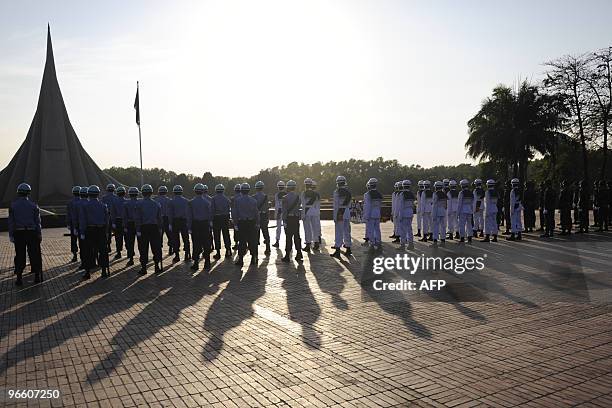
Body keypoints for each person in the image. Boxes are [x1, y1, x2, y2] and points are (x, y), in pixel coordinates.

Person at [9, 183, 43, 286]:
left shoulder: (13, 206)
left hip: (19, 233)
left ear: (18, 192)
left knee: (20, 255)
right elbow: (38, 222)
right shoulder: (33, 206)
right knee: (34, 254)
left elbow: (11, 222)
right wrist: (39, 234)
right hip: (32, 232)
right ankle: (37, 276)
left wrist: (11, 235)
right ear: (29, 193)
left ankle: (19, 278)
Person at [79, 185, 110, 280]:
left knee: (88, 251)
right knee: (103, 251)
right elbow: (107, 220)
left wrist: (82, 232)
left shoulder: (85, 206)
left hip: (90, 230)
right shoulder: (103, 205)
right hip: (101, 230)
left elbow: (83, 220)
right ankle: (104, 270)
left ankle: (88, 272)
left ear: (88, 194)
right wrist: (106, 231)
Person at [136, 184, 163, 274]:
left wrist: (138, 229)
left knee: (143, 248)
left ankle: (144, 268)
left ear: (142, 193)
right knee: (156, 247)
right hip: (154, 227)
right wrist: (160, 228)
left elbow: (138, 218)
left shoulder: (139, 204)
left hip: (144, 228)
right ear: (151, 193)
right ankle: (156, 266)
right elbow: (159, 218)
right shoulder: (157, 204)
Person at [188, 183, 212, 271]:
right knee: (206, 243)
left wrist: (189, 227)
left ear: (195, 191)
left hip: (195, 224)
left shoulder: (191, 202)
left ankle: (196, 263)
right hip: (205, 224)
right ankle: (207, 262)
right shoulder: (207, 202)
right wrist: (210, 225)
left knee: (196, 244)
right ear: (203, 191)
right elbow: (210, 215)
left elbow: (189, 216)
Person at [234, 183, 260, 266]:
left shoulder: (237, 200)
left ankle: (241, 259)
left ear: (241, 190)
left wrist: (235, 223)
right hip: (251, 222)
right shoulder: (253, 200)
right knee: (252, 240)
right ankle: (253, 258)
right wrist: (257, 223)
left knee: (242, 241)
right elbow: (257, 213)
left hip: (242, 222)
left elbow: (235, 213)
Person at [281, 180, 303, 262]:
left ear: (287, 188)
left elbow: (284, 211)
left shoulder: (285, 198)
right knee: (297, 236)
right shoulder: (298, 197)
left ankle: (287, 255)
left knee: (288, 237)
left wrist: (284, 221)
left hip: (289, 219)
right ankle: (299, 253)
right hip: (296, 218)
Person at [331, 176, 352, 258]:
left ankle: (338, 250)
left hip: (340, 212)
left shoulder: (337, 192)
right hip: (346, 212)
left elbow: (336, 205)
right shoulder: (348, 192)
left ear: (338, 183)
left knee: (339, 232)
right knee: (347, 231)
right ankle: (348, 248)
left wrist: (336, 216)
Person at [168, 185, 191, 262]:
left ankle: (177, 255)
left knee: (175, 239)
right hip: (184, 221)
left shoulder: (171, 201)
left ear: (174, 192)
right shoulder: (186, 201)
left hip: (175, 221)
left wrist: (170, 223)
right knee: (186, 238)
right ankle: (187, 254)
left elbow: (170, 214)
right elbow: (189, 214)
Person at [211, 184, 232, 259]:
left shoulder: (213, 199)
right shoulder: (226, 199)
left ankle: (218, 252)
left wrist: (211, 220)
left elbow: (212, 210)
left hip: (216, 218)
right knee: (226, 234)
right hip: (225, 217)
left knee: (217, 235)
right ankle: (228, 250)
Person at [363, 178, 383, 251]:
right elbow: (380, 205)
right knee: (377, 229)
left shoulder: (368, 194)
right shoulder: (379, 194)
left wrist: (366, 216)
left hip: (370, 213)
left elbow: (368, 206)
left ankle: (372, 243)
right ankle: (378, 241)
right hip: (377, 213)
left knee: (370, 229)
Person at [301, 178, 320, 253]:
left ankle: (308, 245)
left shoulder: (304, 193)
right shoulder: (316, 194)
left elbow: (303, 205)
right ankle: (316, 243)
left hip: (307, 212)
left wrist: (303, 214)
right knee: (315, 228)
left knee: (307, 229)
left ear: (305, 184)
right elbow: (317, 204)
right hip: (314, 212)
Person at [123, 187, 140, 266]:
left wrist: (125, 226)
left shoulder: (126, 204)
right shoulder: (140, 203)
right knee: (141, 242)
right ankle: (142, 257)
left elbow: (125, 216)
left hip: (130, 224)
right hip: (139, 224)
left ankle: (131, 259)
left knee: (130, 242)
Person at [253, 181, 271, 255]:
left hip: (256, 216)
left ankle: (255, 249)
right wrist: (268, 217)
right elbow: (267, 208)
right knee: (265, 232)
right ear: (262, 188)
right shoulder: (266, 197)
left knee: (255, 233)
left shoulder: (253, 197)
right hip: (264, 215)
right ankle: (267, 247)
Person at [154, 186, 173, 255]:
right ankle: (171, 247)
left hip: (158, 219)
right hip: (167, 218)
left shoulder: (155, 200)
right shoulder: (169, 200)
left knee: (159, 235)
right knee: (169, 234)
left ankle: (159, 247)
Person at [398, 180, 416, 250]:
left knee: (403, 230)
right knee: (409, 229)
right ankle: (411, 244)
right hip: (410, 212)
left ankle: (402, 245)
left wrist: (400, 215)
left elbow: (401, 206)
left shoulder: (402, 194)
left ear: (403, 186)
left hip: (404, 212)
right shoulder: (411, 194)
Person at [110, 186, 127, 259]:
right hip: (126, 221)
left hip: (118, 221)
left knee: (118, 238)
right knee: (127, 237)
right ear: (124, 193)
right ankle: (129, 251)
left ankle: (119, 252)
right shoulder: (127, 201)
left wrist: (113, 222)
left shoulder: (114, 202)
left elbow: (112, 213)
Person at [66, 186, 81, 263]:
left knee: (73, 240)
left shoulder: (70, 202)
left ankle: (75, 255)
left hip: (72, 223)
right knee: (82, 240)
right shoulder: (83, 201)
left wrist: (68, 223)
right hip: (81, 223)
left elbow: (68, 214)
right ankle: (83, 255)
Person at [457, 179, 474, 243]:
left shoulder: (461, 193)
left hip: (463, 210)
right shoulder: (471, 192)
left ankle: (462, 238)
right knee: (469, 224)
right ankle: (469, 237)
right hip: (469, 210)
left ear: (462, 186)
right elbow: (472, 203)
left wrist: (457, 213)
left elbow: (459, 204)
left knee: (462, 225)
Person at [431, 181, 447, 247]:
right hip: (443, 211)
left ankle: (435, 241)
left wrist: (433, 214)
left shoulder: (435, 194)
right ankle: (443, 240)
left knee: (435, 227)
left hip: (437, 211)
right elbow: (446, 204)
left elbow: (434, 205)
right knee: (443, 227)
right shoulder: (444, 193)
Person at [101, 183, 116, 252]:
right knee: (117, 234)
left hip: (106, 216)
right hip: (115, 217)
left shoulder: (104, 198)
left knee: (107, 232)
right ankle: (118, 249)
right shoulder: (116, 197)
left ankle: (108, 245)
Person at [273, 181, 287, 248]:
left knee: (278, 228)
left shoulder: (277, 195)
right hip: (285, 213)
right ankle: (288, 241)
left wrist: (276, 214)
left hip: (279, 212)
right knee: (286, 227)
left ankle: (277, 241)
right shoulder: (287, 194)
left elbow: (276, 205)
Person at [311, 180, 322, 248]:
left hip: (312, 211)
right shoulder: (317, 194)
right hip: (317, 211)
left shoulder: (311, 193)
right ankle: (319, 237)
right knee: (318, 225)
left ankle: (315, 240)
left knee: (313, 227)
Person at [231, 183, 242, 250]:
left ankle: (236, 243)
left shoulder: (233, 198)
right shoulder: (243, 197)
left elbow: (233, 209)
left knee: (236, 231)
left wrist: (233, 218)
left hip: (236, 217)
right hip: (243, 217)